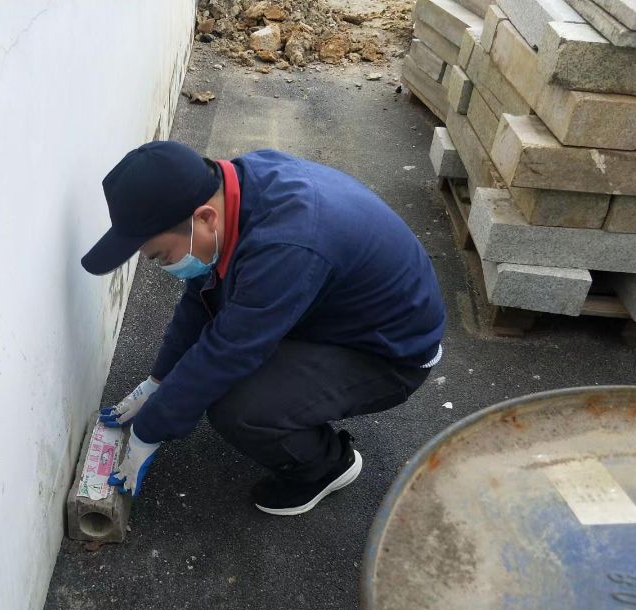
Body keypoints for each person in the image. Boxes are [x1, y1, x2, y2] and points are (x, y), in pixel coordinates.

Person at [81, 141, 445, 516]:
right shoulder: (235, 190)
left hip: (390, 352)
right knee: (216, 354)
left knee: (237, 405)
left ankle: (327, 466)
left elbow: (228, 352)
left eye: (162, 257)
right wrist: (158, 380)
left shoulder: (285, 245)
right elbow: (203, 297)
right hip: (345, 312)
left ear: (205, 218)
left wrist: (149, 430)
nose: (163, 267)